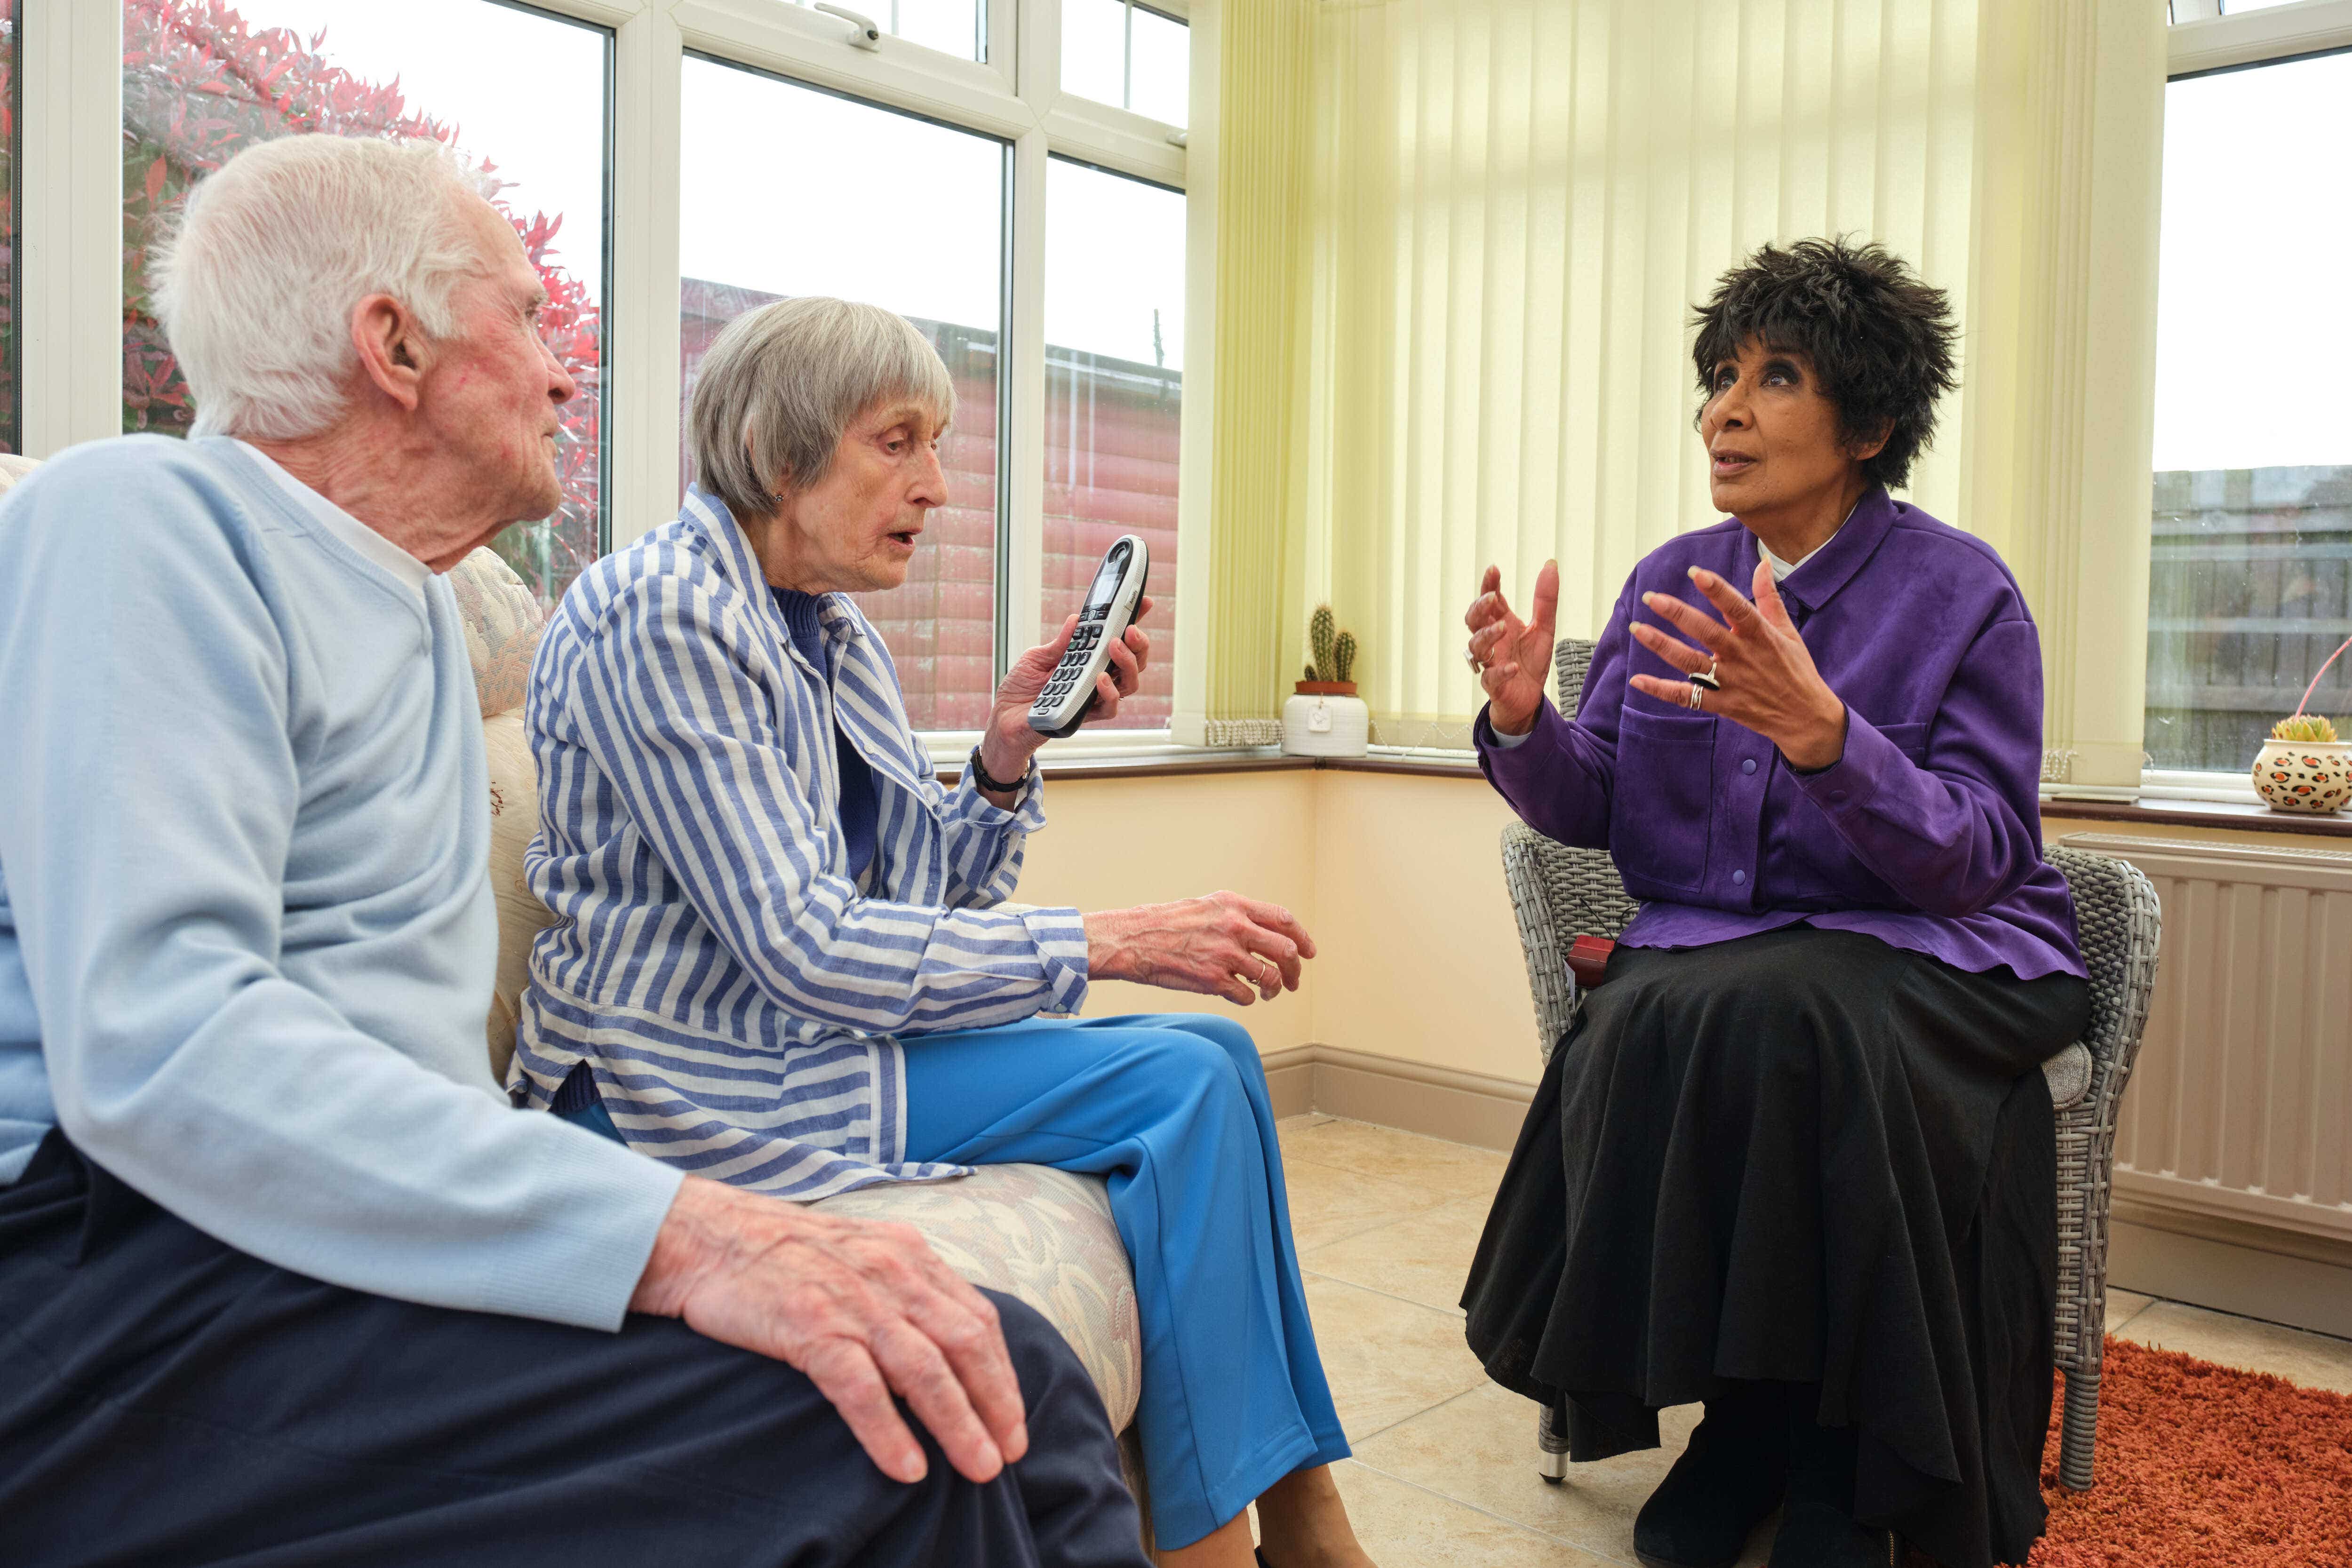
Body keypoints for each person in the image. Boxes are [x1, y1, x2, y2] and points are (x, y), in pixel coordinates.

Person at [0, 135, 1152, 1568]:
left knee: (1006, 1368)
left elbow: (405, 1085)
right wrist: (694, 1236)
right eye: (531, 316)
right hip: (114, 1272)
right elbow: (163, 1050)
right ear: (394, 343)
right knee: (892, 1443)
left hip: (339, 1241)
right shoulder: (136, 519)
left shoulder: (413, 611)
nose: (567, 370)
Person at [506, 295, 1371, 1568]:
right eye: (898, 442)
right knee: (1186, 1077)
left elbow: (917, 898)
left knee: (1212, 1065)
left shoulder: (830, 628)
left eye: (938, 444)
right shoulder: (664, 614)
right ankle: (1240, 1539)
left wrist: (1009, 754)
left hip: (809, 1049)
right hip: (679, 1084)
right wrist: (1111, 940)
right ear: (780, 452)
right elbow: (808, 942)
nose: (941, 486)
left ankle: (1285, 1512)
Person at [1457, 238, 2089, 1568]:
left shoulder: (1965, 594)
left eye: (1776, 377)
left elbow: (1980, 851)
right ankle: (1745, 1420)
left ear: (1867, 425)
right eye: (1720, 378)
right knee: (1639, 1017)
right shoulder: (1673, 578)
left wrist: (1828, 739)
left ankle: (1841, 1455)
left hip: (1950, 947)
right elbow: (1606, 805)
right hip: (1744, 954)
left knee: (1807, 1016)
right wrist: (1524, 724)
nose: (1724, 412)